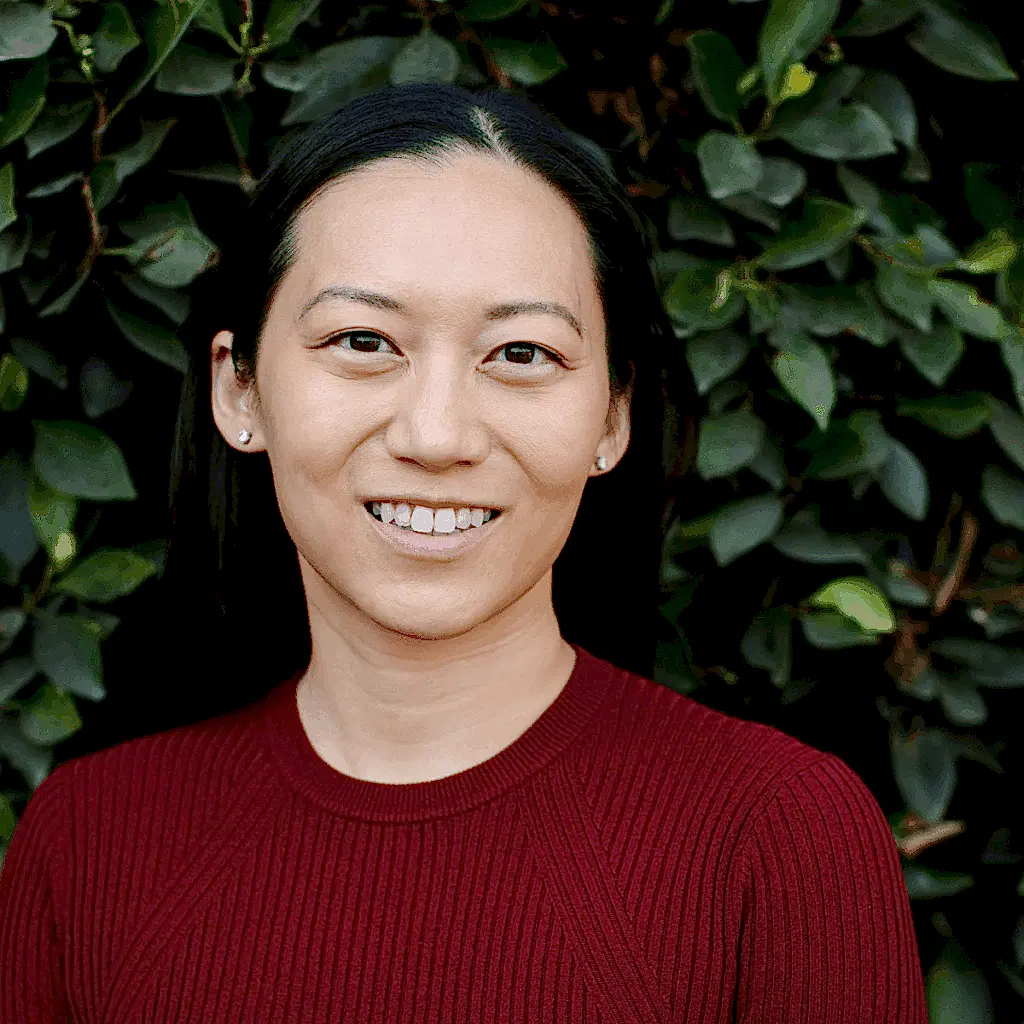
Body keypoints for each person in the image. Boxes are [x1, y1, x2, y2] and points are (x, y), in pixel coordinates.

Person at [0, 82, 928, 1022]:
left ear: (612, 416)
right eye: (364, 340)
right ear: (240, 391)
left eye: (521, 354)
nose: (438, 435)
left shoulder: (777, 838)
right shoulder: (86, 844)